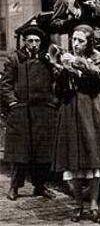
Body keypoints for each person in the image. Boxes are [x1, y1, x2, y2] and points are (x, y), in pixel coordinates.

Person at [52, 24, 100, 223]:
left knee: (94, 157)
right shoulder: (66, 57)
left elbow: (98, 74)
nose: (76, 44)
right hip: (71, 108)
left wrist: (77, 62)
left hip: (92, 108)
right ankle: (78, 205)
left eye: (80, 40)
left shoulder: (98, 58)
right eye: (74, 39)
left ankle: (94, 205)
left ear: (89, 42)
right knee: (73, 158)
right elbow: (57, 88)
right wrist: (59, 70)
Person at [0, 21, 57, 201]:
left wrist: (52, 102)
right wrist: (12, 103)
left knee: (42, 152)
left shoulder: (46, 59)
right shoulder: (15, 59)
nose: (33, 44)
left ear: (41, 43)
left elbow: (56, 80)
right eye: (30, 41)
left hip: (42, 112)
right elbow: (5, 84)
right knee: (20, 152)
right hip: (21, 111)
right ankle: (15, 187)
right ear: (24, 41)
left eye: (37, 41)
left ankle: (40, 186)